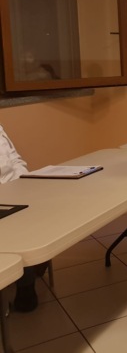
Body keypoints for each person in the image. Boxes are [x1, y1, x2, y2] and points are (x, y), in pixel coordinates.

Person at [0, 125, 45, 312]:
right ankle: (26, 282)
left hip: (14, 188)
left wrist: (22, 182)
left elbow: (15, 159)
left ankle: (31, 270)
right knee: (14, 229)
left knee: (43, 211)